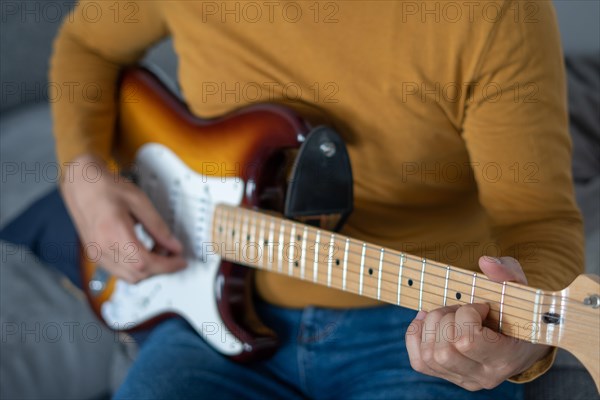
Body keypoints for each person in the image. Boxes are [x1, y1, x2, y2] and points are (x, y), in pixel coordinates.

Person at [9, 1, 585, 398]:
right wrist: (82, 177)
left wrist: (523, 340)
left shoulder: (492, 14)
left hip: (420, 327)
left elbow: (540, 221)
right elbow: (86, 44)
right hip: (212, 307)